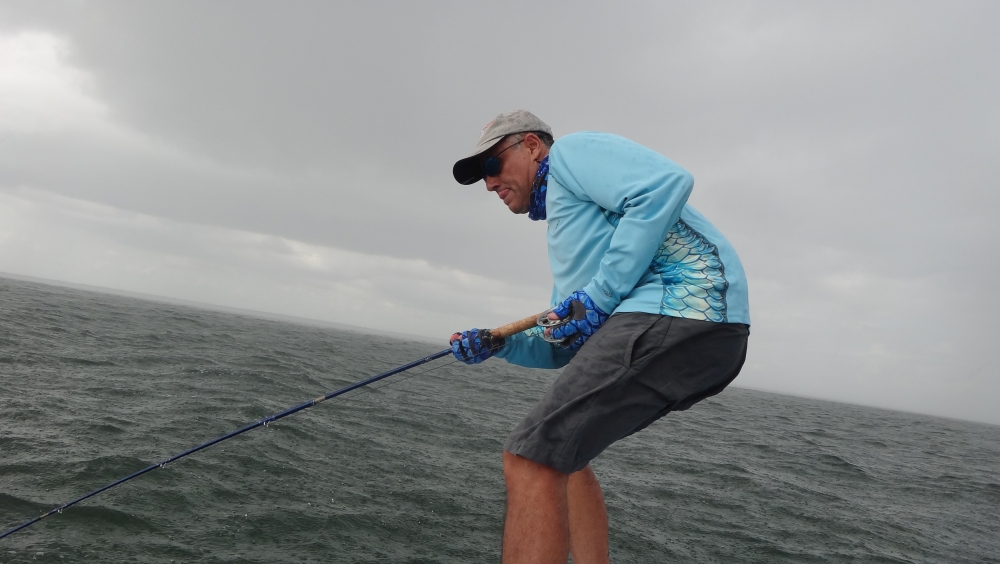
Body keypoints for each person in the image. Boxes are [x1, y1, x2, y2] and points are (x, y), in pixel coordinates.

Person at [449, 110, 750, 564]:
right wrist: (500, 344)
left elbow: (665, 184)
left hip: (683, 308)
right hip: (700, 332)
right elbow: (565, 344)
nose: (489, 183)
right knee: (564, 456)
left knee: (530, 457)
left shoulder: (570, 155)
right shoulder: (570, 231)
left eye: (492, 164)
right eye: (481, 177)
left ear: (531, 145)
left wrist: (600, 295)